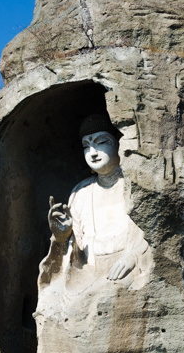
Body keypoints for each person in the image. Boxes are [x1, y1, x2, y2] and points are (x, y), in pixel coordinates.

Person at [40, 114, 151, 292]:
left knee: (115, 294)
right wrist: (64, 236)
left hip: (128, 269)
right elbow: (74, 254)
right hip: (87, 274)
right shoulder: (80, 192)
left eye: (101, 143)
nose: (92, 153)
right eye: (86, 146)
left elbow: (155, 235)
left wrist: (133, 257)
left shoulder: (135, 184)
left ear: (118, 144)